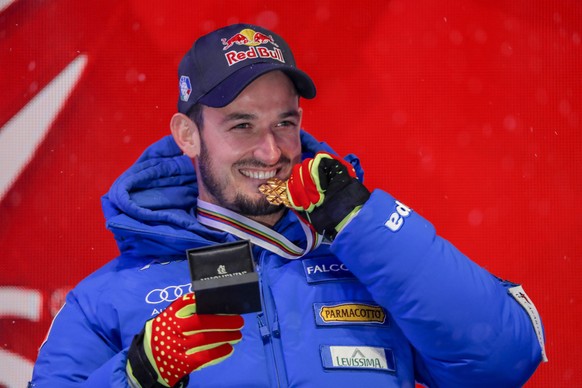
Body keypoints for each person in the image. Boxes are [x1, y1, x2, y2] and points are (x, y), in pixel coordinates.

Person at [30, 23, 546, 387]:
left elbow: (503, 361)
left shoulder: (366, 258)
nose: (271, 151)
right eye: (242, 125)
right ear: (187, 135)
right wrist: (136, 376)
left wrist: (360, 219)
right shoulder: (106, 299)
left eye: (285, 122)